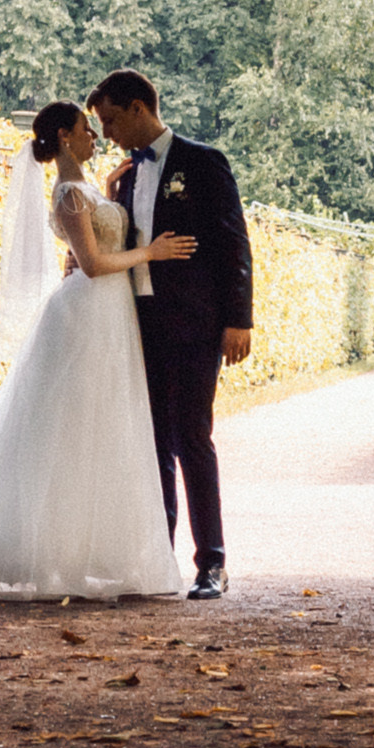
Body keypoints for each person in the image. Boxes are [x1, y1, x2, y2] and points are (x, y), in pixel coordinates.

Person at [0, 101, 198, 601]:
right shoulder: (68, 192)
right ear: (66, 136)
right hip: (89, 313)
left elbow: (95, 232)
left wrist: (108, 195)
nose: (96, 137)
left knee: (104, 427)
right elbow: (89, 263)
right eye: (88, 130)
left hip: (111, 315)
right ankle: (56, 551)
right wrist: (149, 254)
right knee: (73, 428)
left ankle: (92, 549)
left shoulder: (85, 188)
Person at [87, 68, 252, 601]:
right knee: (151, 440)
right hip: (139, 323)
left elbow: (233, 243)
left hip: (196, 321)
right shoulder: (127, 176)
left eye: (111, 120)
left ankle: (213, 563)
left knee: (191, 437)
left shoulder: (203, 163)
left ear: (139, 108)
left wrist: (238, 319)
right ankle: (159, 561)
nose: (107, 133)